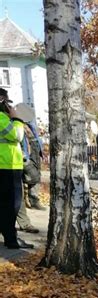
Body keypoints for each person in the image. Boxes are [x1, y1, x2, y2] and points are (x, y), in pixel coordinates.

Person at [0, 88, 33, 249]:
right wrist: (17, 119)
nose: (9, 106)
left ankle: (9, 236)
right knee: (12, 204)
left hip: (7, 165)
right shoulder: (1, 118)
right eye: (7, 102)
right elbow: (17, 136)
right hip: (7, 165)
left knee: (5, 204)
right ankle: (11, 239)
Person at [22, 123, 46, 210]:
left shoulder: (30, 117)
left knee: (36, 174)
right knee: (30, 174)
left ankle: (33, 200)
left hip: (34, 143)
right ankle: (24, 201)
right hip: (25, 149)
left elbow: (34, 129)